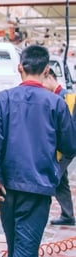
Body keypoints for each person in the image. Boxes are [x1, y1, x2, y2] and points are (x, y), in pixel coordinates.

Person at [0, 45, 76, 257]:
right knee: (25, 250)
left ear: (19, 68)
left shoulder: (2, 98)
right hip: (38, 187)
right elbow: (70, 145)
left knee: (15, 245)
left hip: (7, 186)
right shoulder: (56, 103)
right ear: (46, 71)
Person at [42, 68, 75, 226]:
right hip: (62, 148)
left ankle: (38, 214)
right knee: (62, 182)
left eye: (43, 81)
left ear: (50, 77)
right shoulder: (57, 97)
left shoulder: (65, 97)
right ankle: (68, 215)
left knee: (52, 178)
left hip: (66, 148)